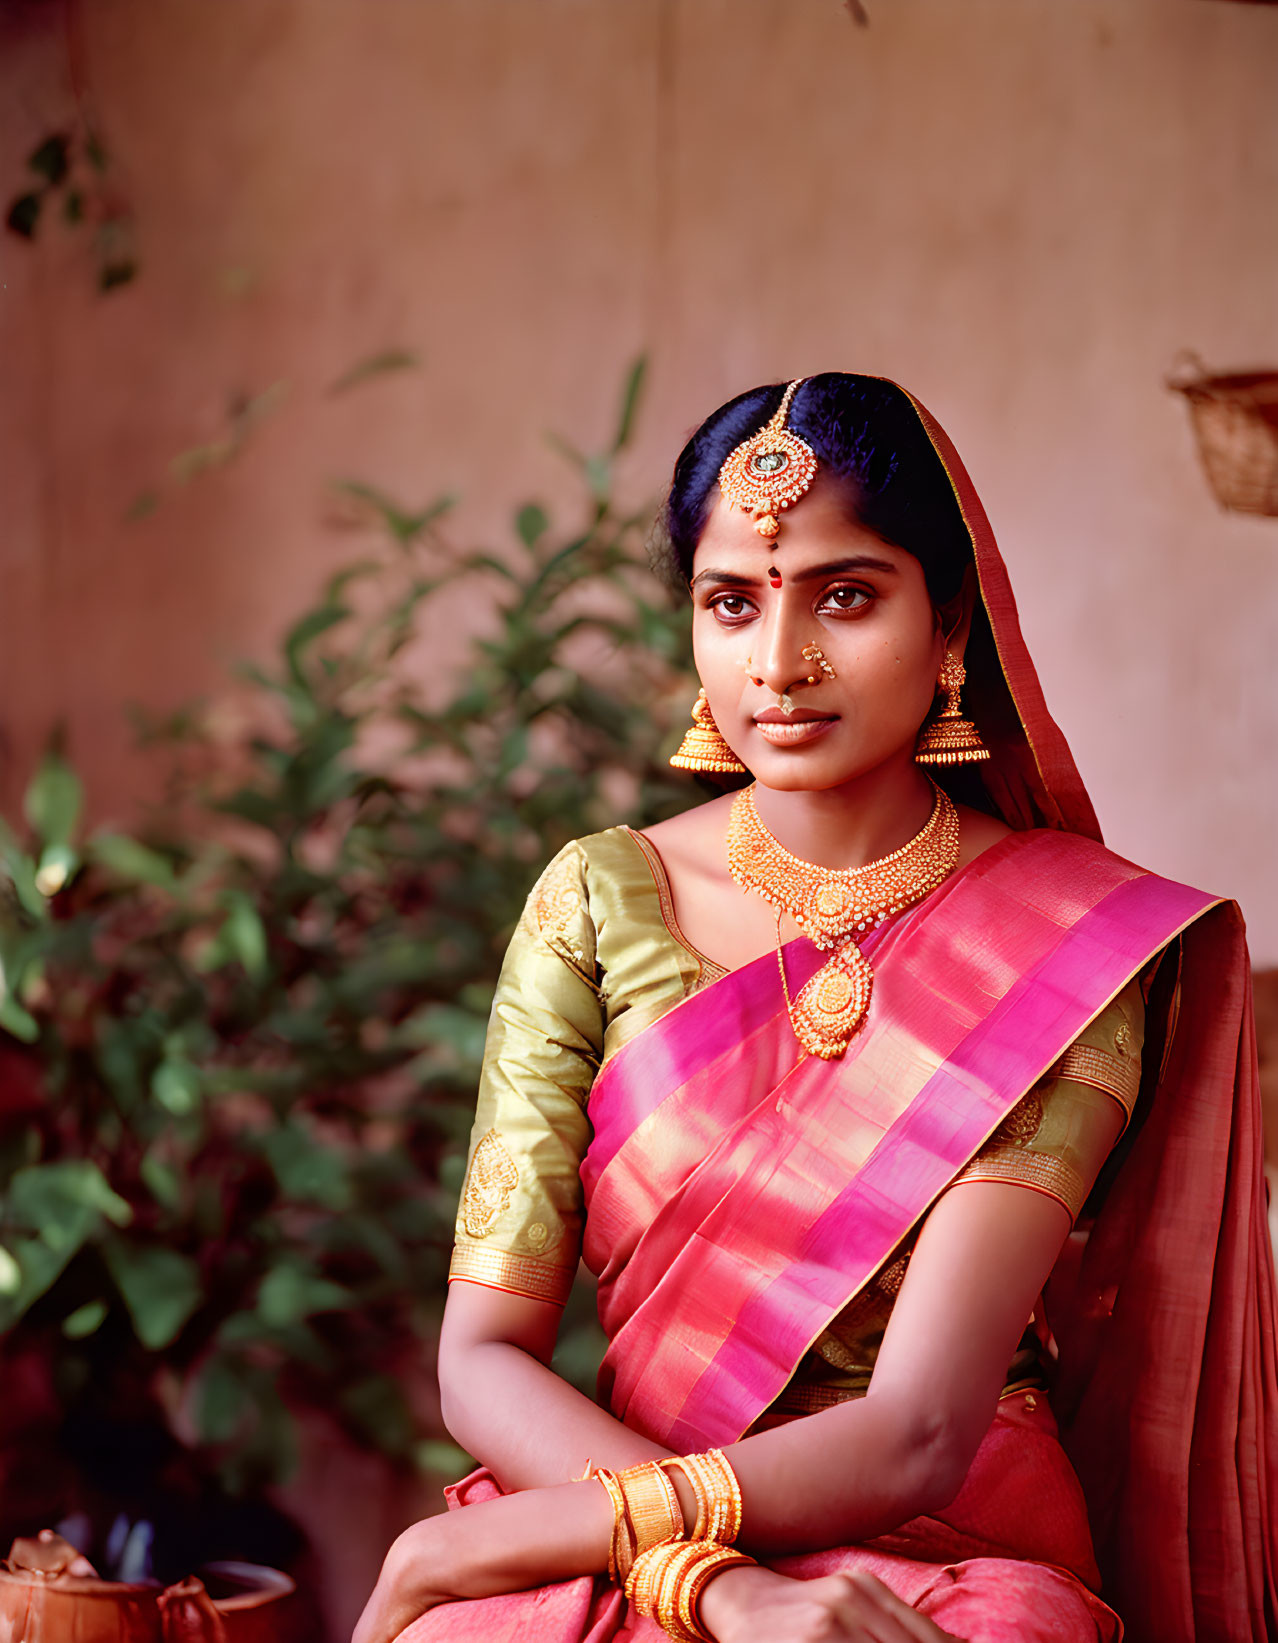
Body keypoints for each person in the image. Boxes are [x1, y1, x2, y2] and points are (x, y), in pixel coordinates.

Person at [353, 374, 1278, 1643]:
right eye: (732, 602)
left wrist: (544, 1538)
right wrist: (709, 1581)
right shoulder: (596, 901)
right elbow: (485, 1355)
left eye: (845, 595)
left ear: (950, 623)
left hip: (944, 1530)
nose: (778, 663)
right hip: (614, 1497)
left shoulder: (1063, 945)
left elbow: (919, 1432)